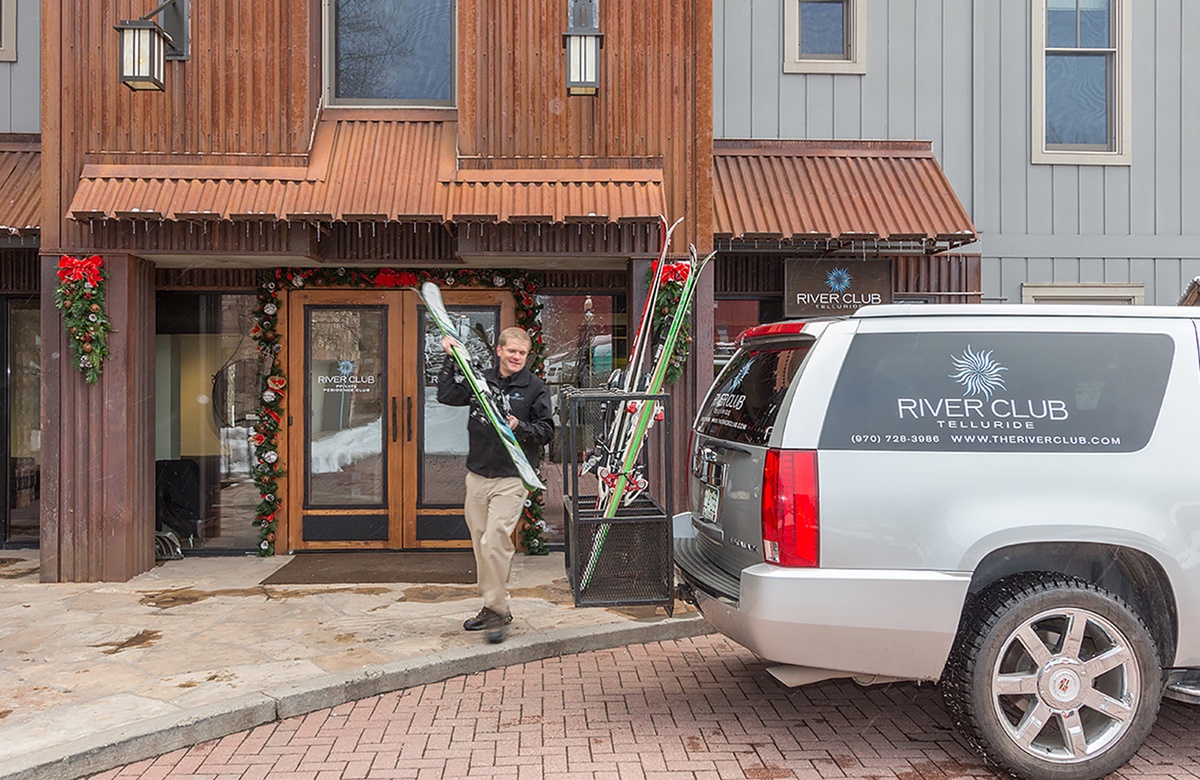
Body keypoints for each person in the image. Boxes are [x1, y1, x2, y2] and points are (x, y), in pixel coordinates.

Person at [437, 326, 554, 642]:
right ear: (499, 350)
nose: (516, 357)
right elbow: (447, 395)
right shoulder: (481, 381)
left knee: (495, 541)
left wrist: (519, 425)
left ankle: (498, 612)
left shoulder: (535, 388)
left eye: (522, 353)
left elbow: (546, 431)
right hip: (477, 476)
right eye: (511, 350)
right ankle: (492, 605)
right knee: (480, 544)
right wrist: (450, 358)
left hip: (512, 477)